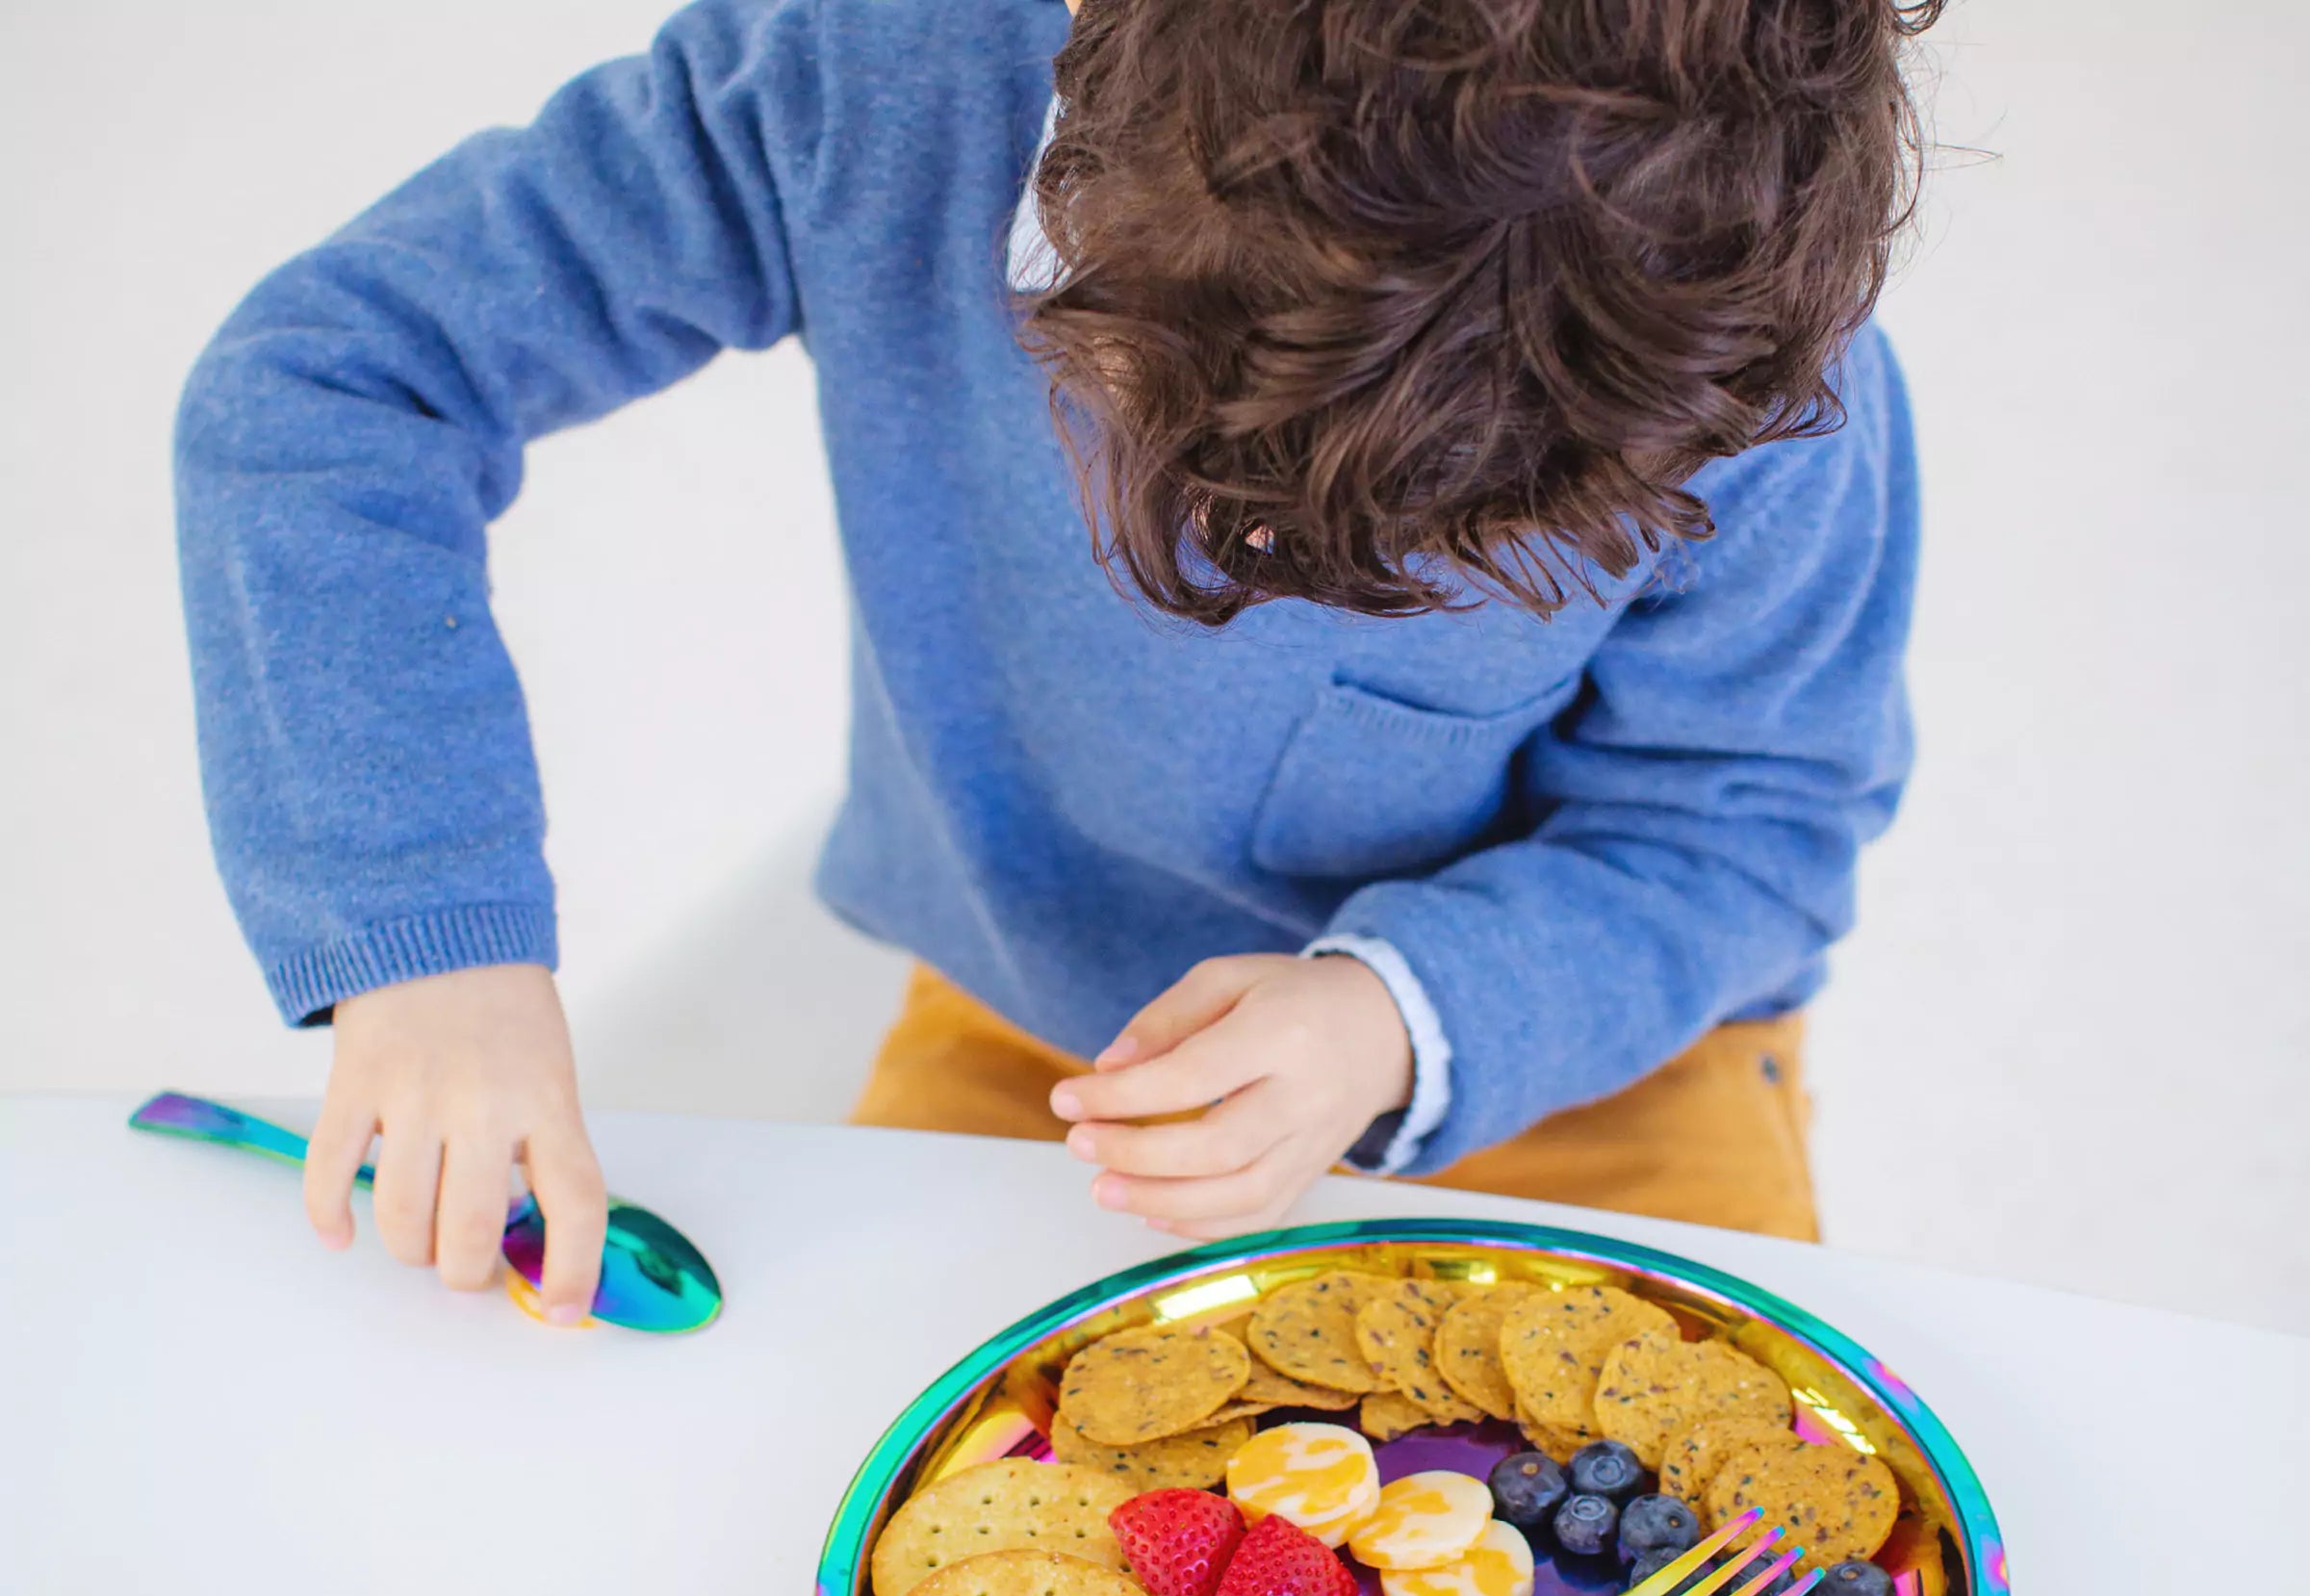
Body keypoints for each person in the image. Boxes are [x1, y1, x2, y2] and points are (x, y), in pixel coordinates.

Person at [175, 0, 1934, 1321]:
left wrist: (1395, 1022)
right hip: (1050, 1030)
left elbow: (1746, 834)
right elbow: (343, 377)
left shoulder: (1761, 380)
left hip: (1578, 1046)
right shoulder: (888, 70)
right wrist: (427, 942)